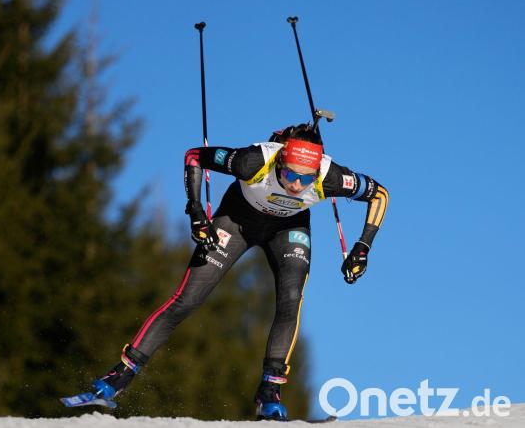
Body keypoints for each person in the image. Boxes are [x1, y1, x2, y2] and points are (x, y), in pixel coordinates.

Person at [89, 124, 389, 420]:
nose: (297, 185)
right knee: (188, 299)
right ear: (280, 162)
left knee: (291, 299)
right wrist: (196, 211)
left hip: (288, 228)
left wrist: (362, 247)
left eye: (305, 178)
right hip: (237, 220)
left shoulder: (331, 176)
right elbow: (194, 156)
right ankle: (120, 374)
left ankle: (270, 392)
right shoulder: (252, 161)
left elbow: (380, 195)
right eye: (289, 175)